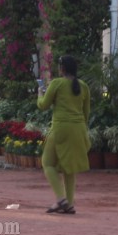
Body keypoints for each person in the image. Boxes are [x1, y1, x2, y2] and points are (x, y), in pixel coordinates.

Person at [38, 54, 90, 214]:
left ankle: (61, 199)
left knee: (47, 163)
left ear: (62, 69)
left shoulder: (56, 83)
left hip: (61, 128)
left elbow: (43, 105)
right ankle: (69, 203)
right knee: (70, 168)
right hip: (79, 128)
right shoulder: (83, 86)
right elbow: (86, 113)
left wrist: (40, 93)